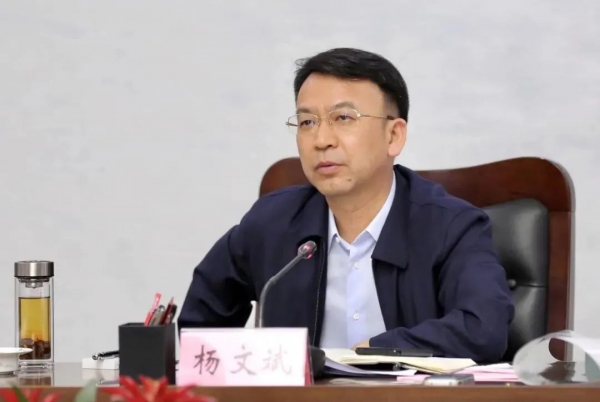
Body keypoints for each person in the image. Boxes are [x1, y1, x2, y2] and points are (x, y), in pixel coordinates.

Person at [178, 48, 515, 363]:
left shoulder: (452, 226)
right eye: (307, 122)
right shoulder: (271, 224)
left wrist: (373, 352)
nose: (322, 140)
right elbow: (198, 328)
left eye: (343, 118)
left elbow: (482, 329)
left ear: (393, 136)